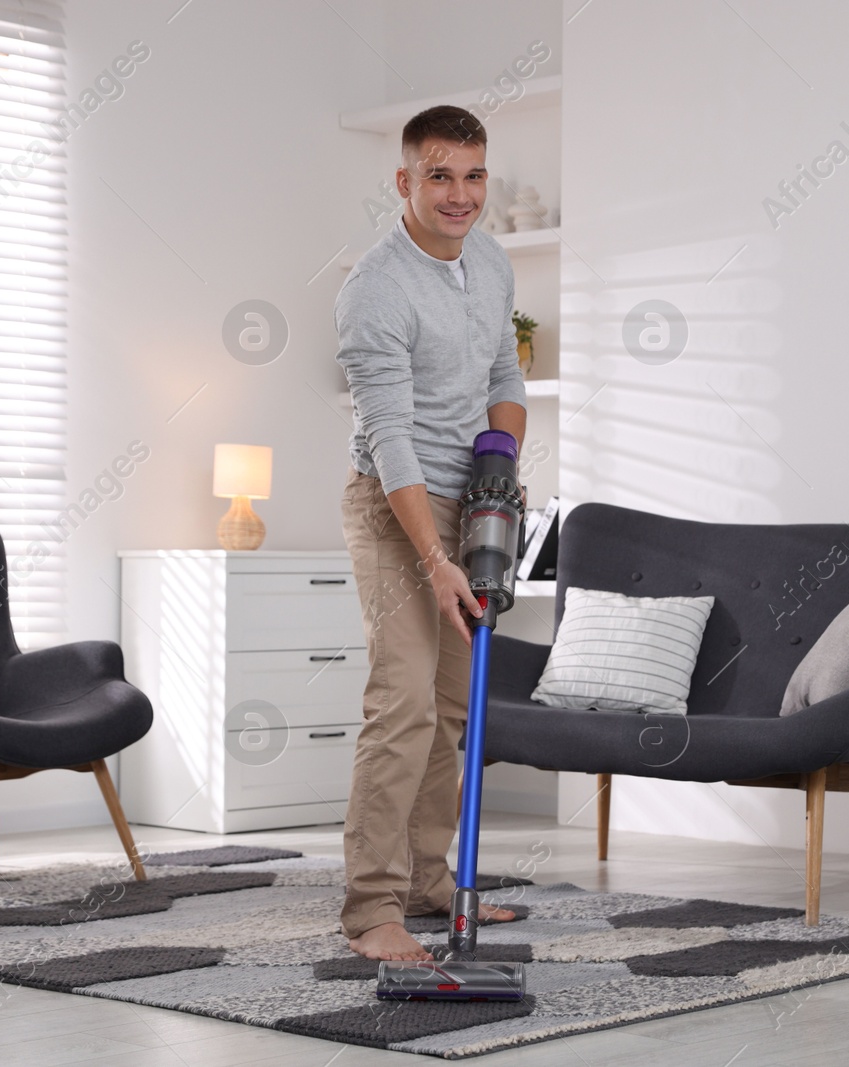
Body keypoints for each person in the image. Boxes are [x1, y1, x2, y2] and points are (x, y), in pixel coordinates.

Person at [334, 105, 528, 961]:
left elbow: (504, 373)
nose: (461, 196)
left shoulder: (489, 259)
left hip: (473, 496)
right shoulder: (375, 288)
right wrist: (439, 556)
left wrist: (501, 471)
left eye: (474, 175)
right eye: (440, 176)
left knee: (453, 705)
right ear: (405, 181)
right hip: (395, 505)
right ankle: (372, 906)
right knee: (405, 700)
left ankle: (426, 876)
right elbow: (392, 435)